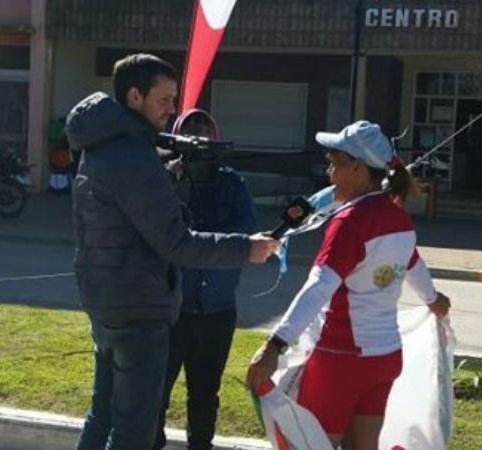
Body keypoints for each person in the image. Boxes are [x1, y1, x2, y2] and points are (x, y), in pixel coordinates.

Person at [65, 53, 279, 450]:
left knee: (103, 415)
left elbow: (129, 216)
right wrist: (244, 249)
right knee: (134, 432)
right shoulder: (132, 157)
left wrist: (166, 176)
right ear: (134, 96)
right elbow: (175, 241)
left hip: (108, 303)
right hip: (138, 311)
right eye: (164, 100)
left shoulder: (103, 145)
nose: (172, 110)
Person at [246, 120, 451, 450]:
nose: (328, 174)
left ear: (356, 168)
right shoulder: (398, 217)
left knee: (311, 445)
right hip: (385, 358)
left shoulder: (348, 222)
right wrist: (433, 300)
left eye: (333, 163)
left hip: (340, 359)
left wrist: (274, 347)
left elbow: (318, 288)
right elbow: (413, 264)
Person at [153, 109, 257, 450]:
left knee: (204, 393)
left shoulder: (232, 182)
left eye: (205, 131)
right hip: (173, 311)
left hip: (217, 310)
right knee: (156, 392)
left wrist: (205, 246)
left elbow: (245, 233)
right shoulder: (165, 178)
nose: (200, 138)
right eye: (191, 131)